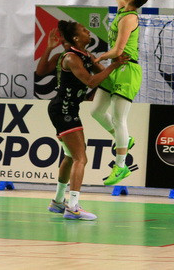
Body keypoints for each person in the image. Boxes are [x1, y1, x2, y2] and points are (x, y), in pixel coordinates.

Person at [92, 0, 170, 185]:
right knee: (96, 112)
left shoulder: (129, 18)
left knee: (119, 119)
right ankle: (124, 140)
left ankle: (121, 167)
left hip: (127, 69)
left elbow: (118, 50)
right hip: (116, 67)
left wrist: (98, 58)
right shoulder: (121, 8)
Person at [46, 20, 129, 221]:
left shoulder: (85, 55)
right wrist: (114, 65)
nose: (88, 32)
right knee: (80, 158)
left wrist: (115, 64)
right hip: (63, 110)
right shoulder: (71, 58)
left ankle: (58, 202)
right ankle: (73, 206)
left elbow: (102, 74)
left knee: (70, 156)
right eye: (84, 30)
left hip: (67, 109)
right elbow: (91, 81)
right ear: (76, 38)